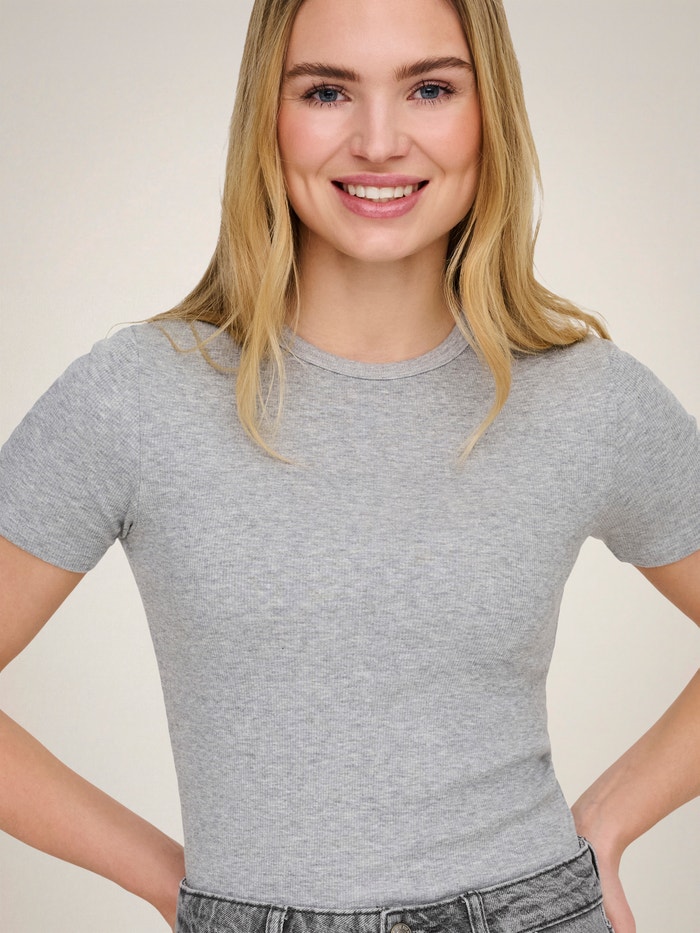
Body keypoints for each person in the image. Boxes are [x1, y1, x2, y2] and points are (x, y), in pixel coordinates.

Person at [1, 1, 698, 932]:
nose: (377, 141)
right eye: (327, 92)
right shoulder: (137, 394)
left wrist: (610, 818)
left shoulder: (585, 398)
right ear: (268, 115)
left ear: (489, 113)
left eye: (430, 89)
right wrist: (175, 883)